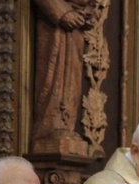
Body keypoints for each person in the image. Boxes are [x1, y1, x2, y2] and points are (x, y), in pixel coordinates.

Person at [31, 0, 96, 154]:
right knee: (55, 76)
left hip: (75, 27)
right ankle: (50, 128)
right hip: (55, 26)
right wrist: (62, 12)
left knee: (71, 78)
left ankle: (65, 124)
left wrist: (87, 12)